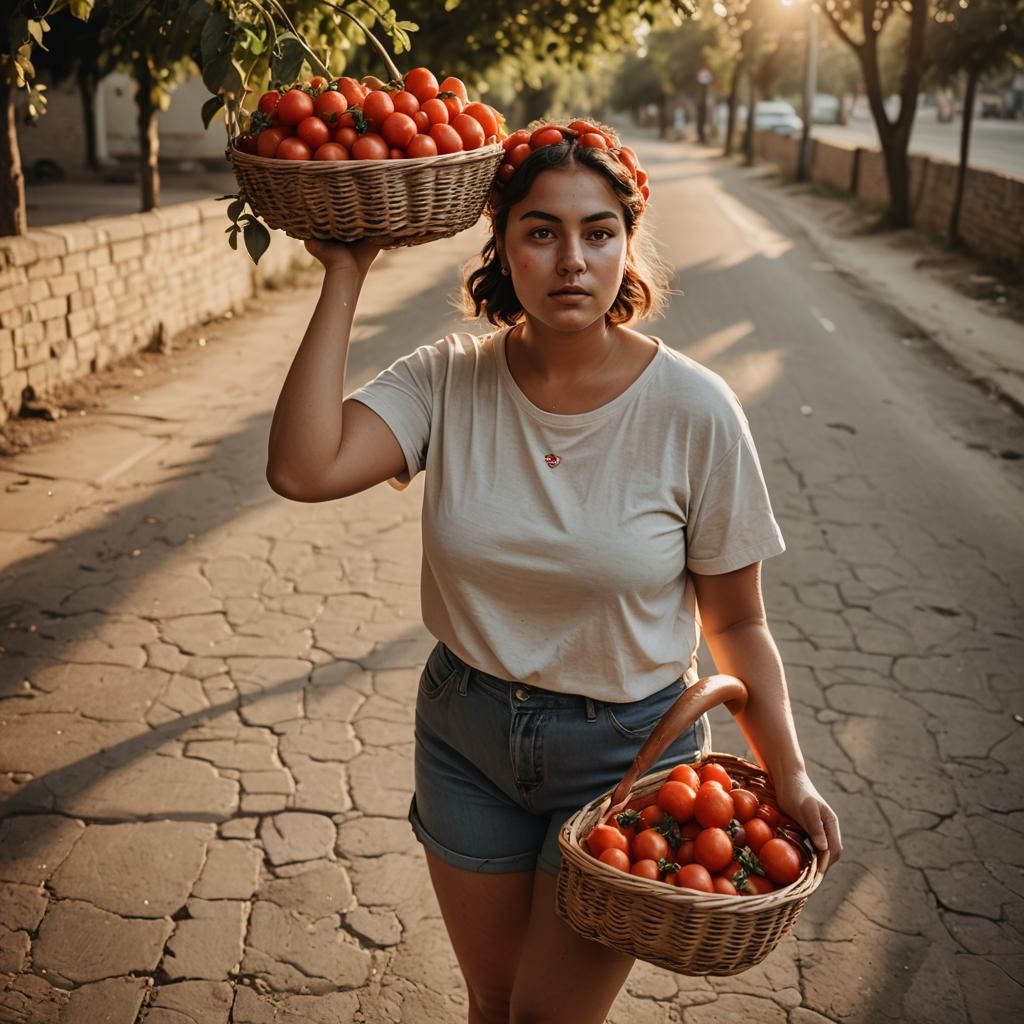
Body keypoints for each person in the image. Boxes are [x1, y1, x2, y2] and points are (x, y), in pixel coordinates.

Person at [266, 125, 843, 1024]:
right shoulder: (446, 381)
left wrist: (792, 774)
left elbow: (740, 625)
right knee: (492, 1002)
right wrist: (346, 272)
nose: (571, 259)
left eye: (598, 231)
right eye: (541, 232)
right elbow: (303, 470)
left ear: (628, 242)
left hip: (629, 757)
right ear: (501, 245)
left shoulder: (696, 411)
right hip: (466, 735)